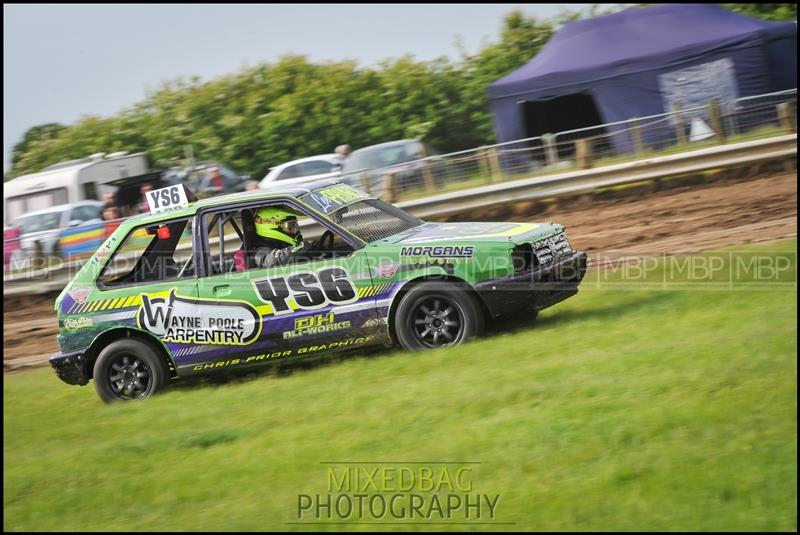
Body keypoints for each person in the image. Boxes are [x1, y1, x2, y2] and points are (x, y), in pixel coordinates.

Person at [234, 207, 305, 272]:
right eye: (291, 226)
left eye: (295, 225)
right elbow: (271, 260)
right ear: (271, 226)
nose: (295, 230)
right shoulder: (260, 251)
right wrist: (301, 248)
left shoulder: (282, 245)